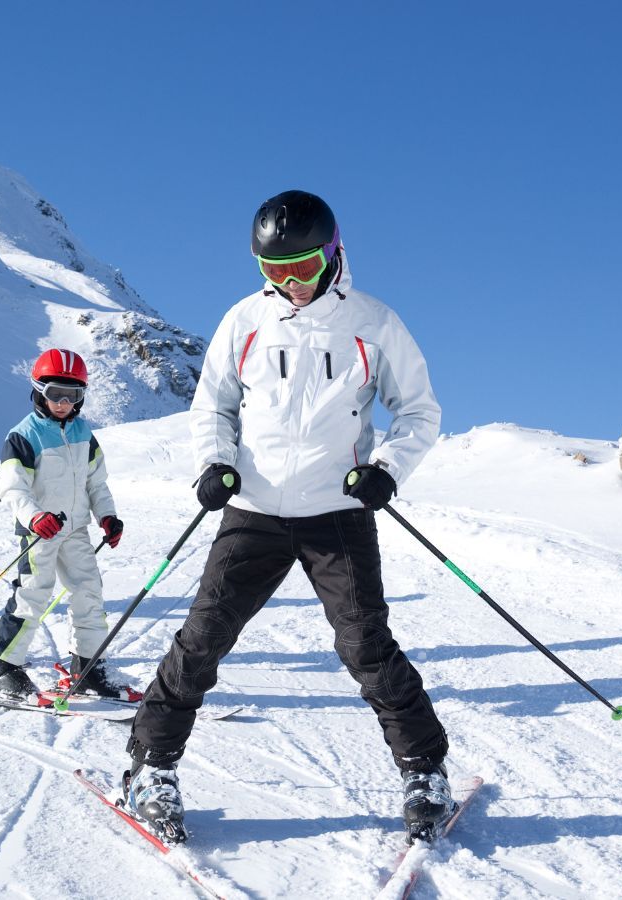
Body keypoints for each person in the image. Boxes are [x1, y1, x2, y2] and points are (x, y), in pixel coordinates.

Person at [122, 190, 452, 844]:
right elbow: (211, 406)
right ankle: (150, 768)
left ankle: (425, 770)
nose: (291, 285)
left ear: (331, 254)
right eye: (274, 272)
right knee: (203, 638)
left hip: (336, 511)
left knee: (365, 645)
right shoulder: (244, 321)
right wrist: (215, 463)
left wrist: (386, 469)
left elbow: (418, 412)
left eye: (302, 267)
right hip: (254, 508)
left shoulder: (374, 323)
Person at [0, 348, 133, 701]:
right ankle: (2, 666)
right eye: (55, 394)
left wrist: (106, 516)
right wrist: (35, 517)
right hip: (40, 531)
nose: (63, 403)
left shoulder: (83, 432)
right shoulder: (23, 435)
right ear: (37, 390)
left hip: (76, 529)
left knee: (89, 592)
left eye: (73, 395)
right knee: (33, 593)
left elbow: (97, 482)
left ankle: (88, 666)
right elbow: (13, 486)